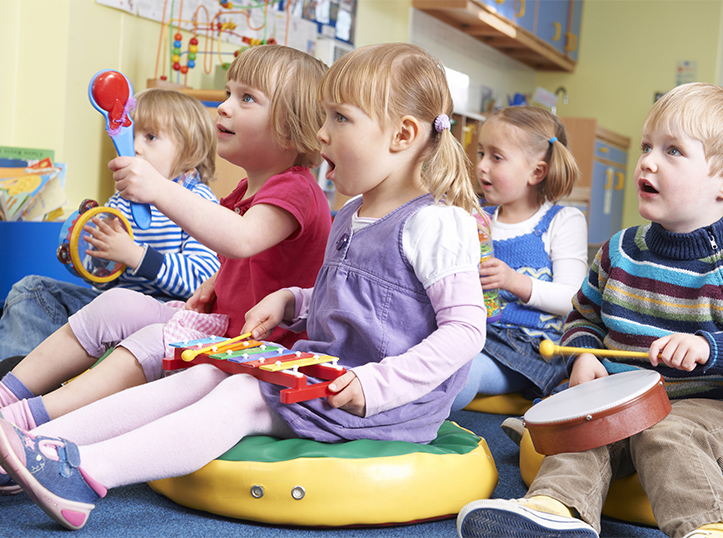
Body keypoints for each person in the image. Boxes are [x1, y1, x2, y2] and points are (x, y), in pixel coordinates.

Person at [0, 42, 486, 531]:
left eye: (340, 118)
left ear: (402, 135)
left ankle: (84, 474)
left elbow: (465, 330)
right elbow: (363, 297)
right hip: (328, 373)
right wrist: (294, 300)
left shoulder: (438, 223)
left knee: (241, 398)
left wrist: (375, 385)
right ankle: (37, 446)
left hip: (384, 402)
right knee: (207, 376)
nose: (320, 134)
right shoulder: (352, 215)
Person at [0, 45, 331, 438]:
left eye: (246, 98)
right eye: (228, 93)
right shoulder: (245, 190)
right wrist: (215, 284)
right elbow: (247, 258)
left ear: (293, 126)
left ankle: (29, 424)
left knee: (154, 339)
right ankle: (7, 395)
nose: (224, 107)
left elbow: (241, 239)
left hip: (263, 350)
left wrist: (158, 189)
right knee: (117, 303)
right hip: (223, 328)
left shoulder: (297, 188)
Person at [457, 82, 723, 538]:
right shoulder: (619, 250)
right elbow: (583, 316)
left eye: (673, 151)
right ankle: (555, 512)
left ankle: (705, 527)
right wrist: (584, 354)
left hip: (700, 406)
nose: (648, 161)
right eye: (646, 146)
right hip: (619, 399)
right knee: (585, 430)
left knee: (666, 434)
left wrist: (706, 345)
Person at [0, 88, 221, 363]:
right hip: (110, 309)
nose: (135, 146)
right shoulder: (121, 200)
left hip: (166, 316)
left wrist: (135, 256)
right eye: (131, 135)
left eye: (150, 137)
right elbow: (102, 280)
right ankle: (20, 377)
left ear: (191, 151)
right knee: (30, 290)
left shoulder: (199, 202)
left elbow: (202, 281)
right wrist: (96, 256)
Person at [451, 106, 588, 412]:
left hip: (529, 346)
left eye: (496, 157)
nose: (482, 166)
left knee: (457, 373)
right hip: (473, 331)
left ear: (536, 172)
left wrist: (515, 282)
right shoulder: (476, 218)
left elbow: (574, 299)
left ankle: (407, 426)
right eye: (482, 153)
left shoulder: (562, 220)